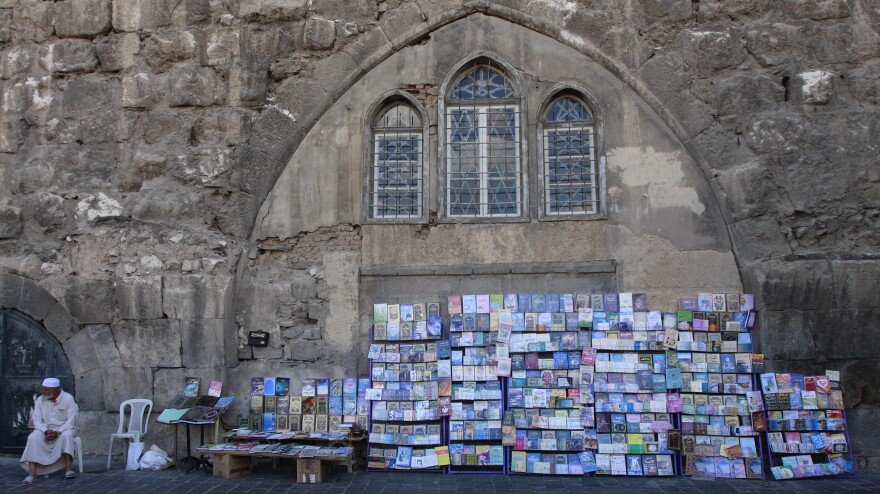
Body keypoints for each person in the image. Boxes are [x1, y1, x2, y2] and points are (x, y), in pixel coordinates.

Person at [20, 378, 79, 485]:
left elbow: (71, 420)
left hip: (64, 429)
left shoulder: (68, 398)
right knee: (33, 437)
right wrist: (46, 431)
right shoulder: (40, 400)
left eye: (46, 390)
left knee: (67, 435)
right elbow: (37, 419)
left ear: (56, 390)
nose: (43, 392)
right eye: (43, 389)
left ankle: (68, 470)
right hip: (45, 429)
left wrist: (58, 432)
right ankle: (32, 474)